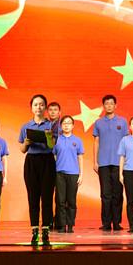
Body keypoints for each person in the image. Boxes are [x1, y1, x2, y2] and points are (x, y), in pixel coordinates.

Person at [19, 94, 56, 246]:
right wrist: (26, 143)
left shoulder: (51, 125)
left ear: (45, 107)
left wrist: (48, 137)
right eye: (35, 104)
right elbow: (22, 149)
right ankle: (34, 230)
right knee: (32, 196)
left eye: (41, 104)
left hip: (47, 161)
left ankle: (46, 230)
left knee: (47, 197)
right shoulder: (26, 126)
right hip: (31, 162)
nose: (38, 107)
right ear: (31, 107)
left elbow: (52, 146)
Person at [93, 94, 128, 231]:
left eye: (111, 103)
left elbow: (126, 142)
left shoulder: (122, 122)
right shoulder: (98, 123)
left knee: (118, 194)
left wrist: (127, 161)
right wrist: (95, 161)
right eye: (106, 103)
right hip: (103, 163)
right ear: (103, 106)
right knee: (105, 194)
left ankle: (117, 222)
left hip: (119, 163)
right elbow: (96, 142)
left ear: (115, 105)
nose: (109, 106)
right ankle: (106, 223)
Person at [52, 115, 84, 233]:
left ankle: (70, 225)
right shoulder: (57, 140)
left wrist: (81, 174)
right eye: (64, 123)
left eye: (69, 123)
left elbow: (80, 157)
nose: (66, 125)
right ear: (61, 126)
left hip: (73, 174)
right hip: (59, 173)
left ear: (73, 126)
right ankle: (61, 225)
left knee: (71, 201)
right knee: (60, 200)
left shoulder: (77, 140)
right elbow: (54, 156)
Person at [47, 101, 64, 232]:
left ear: (59, 112)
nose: (53, 112)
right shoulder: (45, 125)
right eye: (51, 110)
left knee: (60, 194)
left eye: (55, 110)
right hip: (47, 161)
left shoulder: (62, 126)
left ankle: (59, 220)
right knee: (47, 192)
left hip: (59, 162)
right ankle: (48, 220)